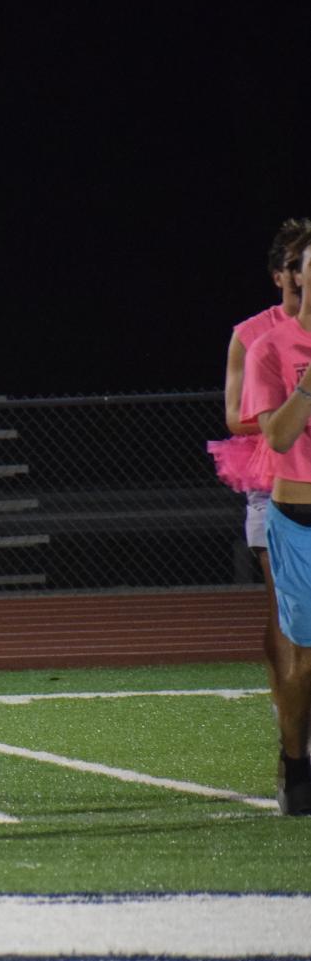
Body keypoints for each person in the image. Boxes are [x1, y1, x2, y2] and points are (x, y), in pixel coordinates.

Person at [212, 217, 311, 703]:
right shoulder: (255, 335)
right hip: (274, 484)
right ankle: (288, 715)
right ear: (279, 275)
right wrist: (291, 411)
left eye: (305, 266)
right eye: (293, 266)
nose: (299, 276)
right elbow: (235, 417)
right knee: (284, 610)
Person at [244, 231, 311, 815]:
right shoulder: (269, 347)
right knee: (304, 655)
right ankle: (295, 763)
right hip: (298, 514)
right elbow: (279, 436)